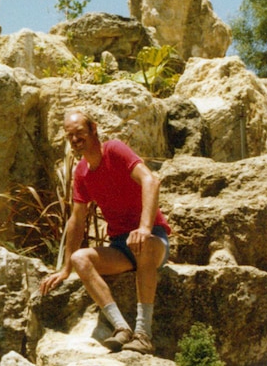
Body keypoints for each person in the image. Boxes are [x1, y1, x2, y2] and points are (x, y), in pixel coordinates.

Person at [39, 108, 172, 355]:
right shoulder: (82, 172)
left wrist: (144, 228)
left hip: (153, 239)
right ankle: (122, 328)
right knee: (81, 258)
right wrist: (66, 268)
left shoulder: (114, 150)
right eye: (70, 136)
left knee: (141, 245)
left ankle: (144, 334)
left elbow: (150, 180)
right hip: (121, 246)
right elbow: (77, 220)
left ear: (93, 129)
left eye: (80, 132)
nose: (76, 139)